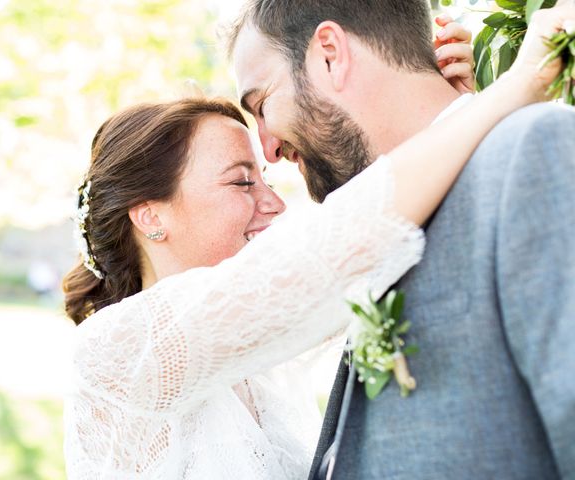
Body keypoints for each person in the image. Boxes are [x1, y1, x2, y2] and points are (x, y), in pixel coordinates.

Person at [61, 6, 573, 480]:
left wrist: (461, 117)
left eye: (263, 106)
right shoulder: (115, 354)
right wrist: (511, 92)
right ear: (150, 215)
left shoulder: (267, 370)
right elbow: (324, 250)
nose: (276, 199)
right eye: (242, 181)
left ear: (332, 54)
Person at [228, 1, 575, 479]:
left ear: (330, 54)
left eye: (262, 104)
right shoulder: (372, 232)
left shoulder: (532, 156)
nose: (268, 148)